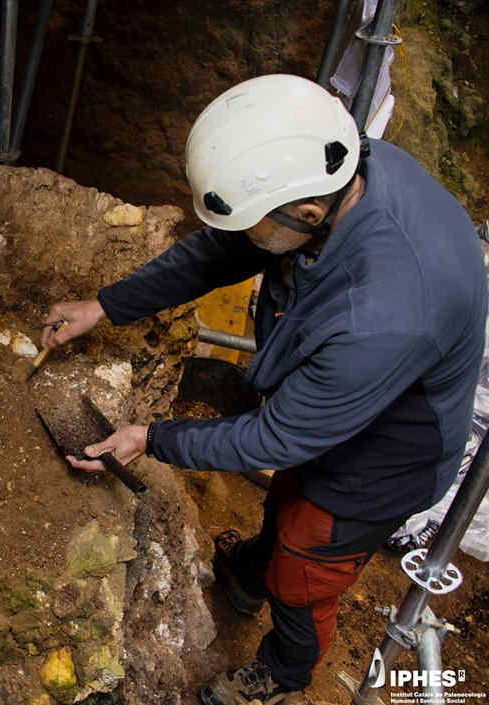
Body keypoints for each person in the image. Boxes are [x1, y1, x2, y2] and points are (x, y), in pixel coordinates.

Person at [41, 74, 487, 705]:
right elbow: (217, 255)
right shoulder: (340, 168)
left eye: (256, 225)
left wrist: (153, 437)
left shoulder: (383, 314)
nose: (248, 239)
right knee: (287, 502)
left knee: (307, 561)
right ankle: (252, 574)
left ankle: (283, 671)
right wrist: (106, 306)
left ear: (307, 216)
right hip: (340, 400)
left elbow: (276, 436)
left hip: (385, 460)